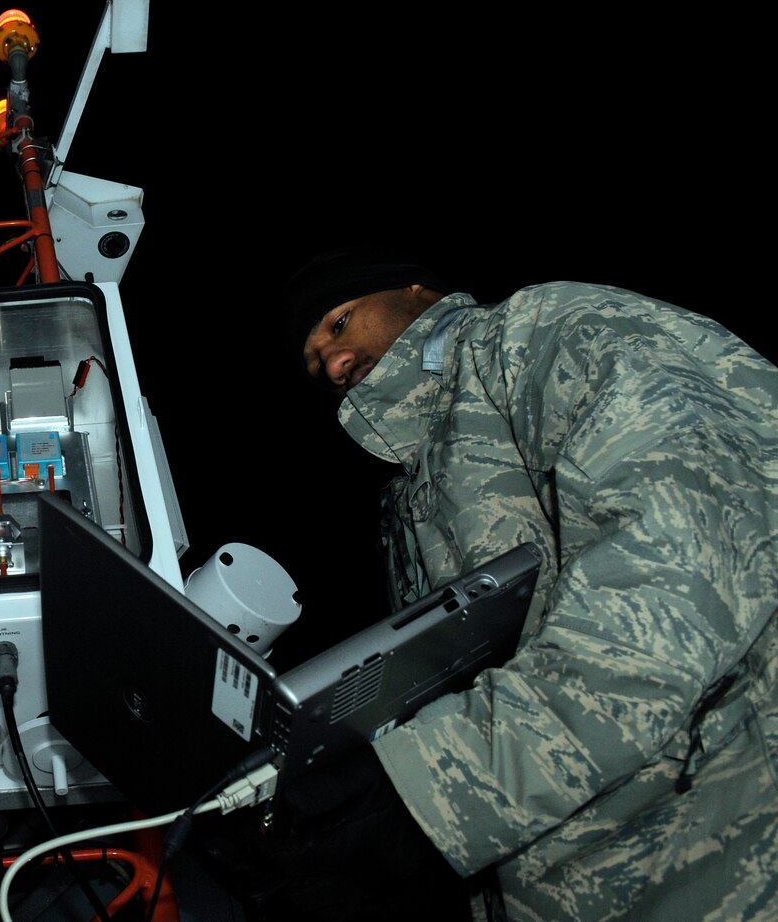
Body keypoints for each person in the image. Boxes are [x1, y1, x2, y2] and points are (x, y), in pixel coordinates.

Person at [202, 247, 778, 922]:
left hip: (733, 834)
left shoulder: (536, 330)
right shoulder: (413, 494)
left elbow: (681, 564)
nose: (332, 364)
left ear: (417, 291)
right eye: (313, 365)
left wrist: (431, 789)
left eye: (340, 323)